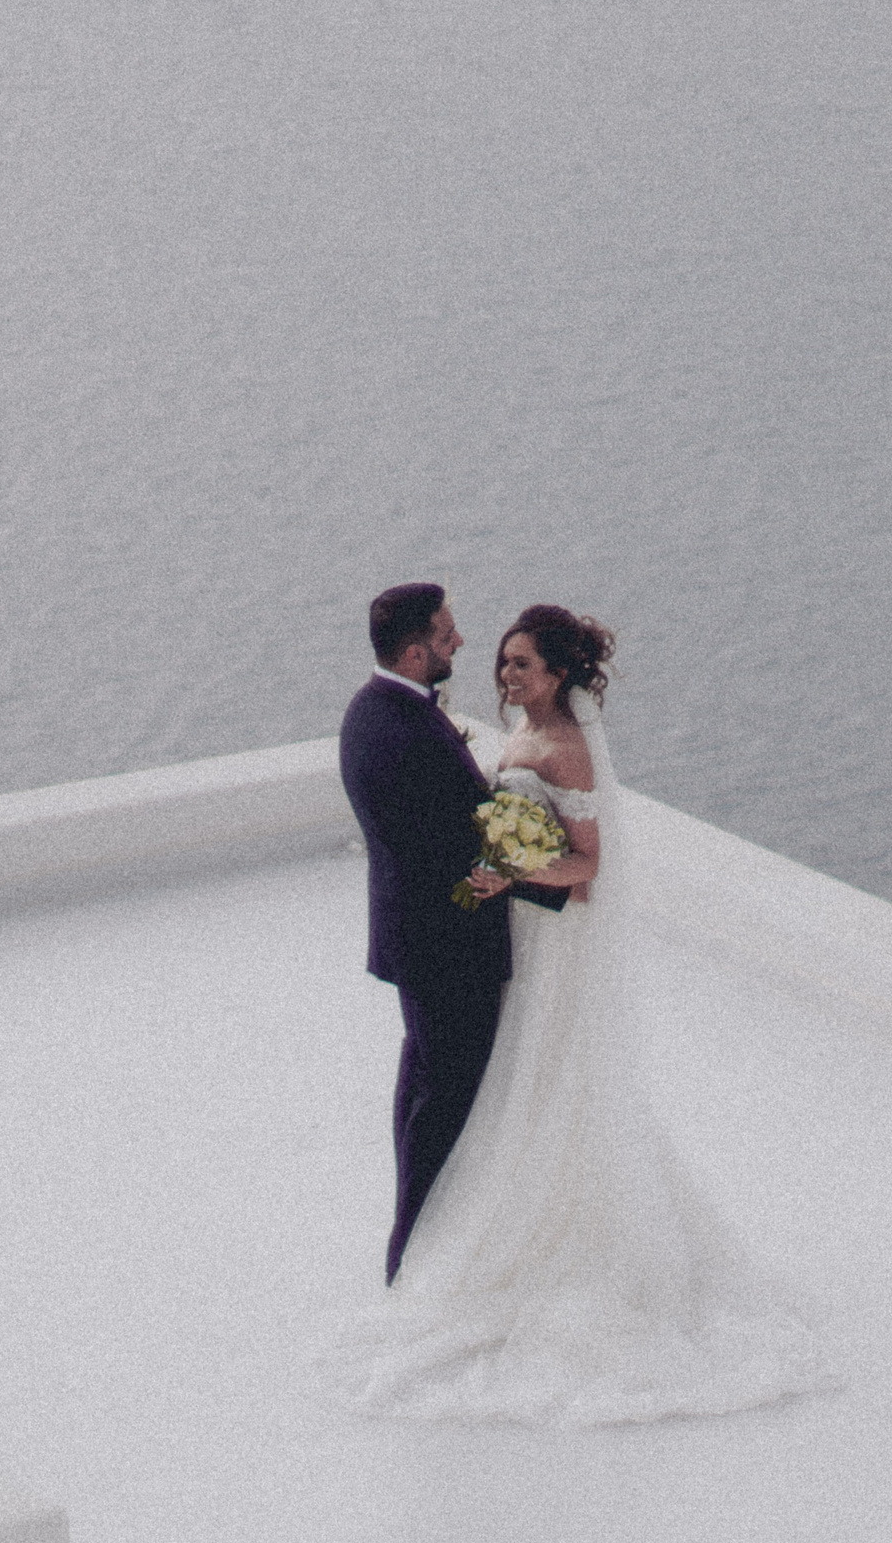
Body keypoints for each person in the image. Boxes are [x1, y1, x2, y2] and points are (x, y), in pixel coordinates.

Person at [327, 604, 833, 1426]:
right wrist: (500, 868)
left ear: (559, 675)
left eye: (522, 665)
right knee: (481, 1081)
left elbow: (586, 867)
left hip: (544, 940)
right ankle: (438, 1230)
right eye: (502, 661)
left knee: (533, 1076)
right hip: (506, 937)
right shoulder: (504, 734)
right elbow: (485, 827)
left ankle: (501, 1237)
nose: (504, 674)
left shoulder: (562, 747)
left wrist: (510, 877)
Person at [338, 584, 570, 1285]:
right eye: (446, 636)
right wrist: (561, 875)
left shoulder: (367, 712)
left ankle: (415, 1240)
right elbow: (464, 845)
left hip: (412, 939)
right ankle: (415, 1252)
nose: (461, 642)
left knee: (421, 1087)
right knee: (449, 1104)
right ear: (414, 653)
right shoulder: (411, 732)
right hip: (448, 950)